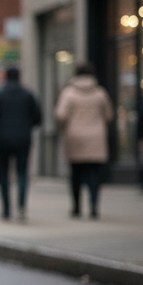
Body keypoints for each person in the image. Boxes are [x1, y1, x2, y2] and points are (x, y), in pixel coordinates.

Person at [54, 62, 114, 219]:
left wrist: (63, 127)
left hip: (75, 136)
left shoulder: (69, 93)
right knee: (94, 174)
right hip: (96, 136)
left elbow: (61, 115)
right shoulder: (100, 93)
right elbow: (109, 115)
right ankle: (94, 205)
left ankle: (76, 207)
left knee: (76, 174)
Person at [0, 65, 43, 220]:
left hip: (3, 139)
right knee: (22, 172)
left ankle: (6, 209)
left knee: (3, 173)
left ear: (6, 77)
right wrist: (26, 126)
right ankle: (21, 206)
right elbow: (38, 118)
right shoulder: (28, 95)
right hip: (23, 139)